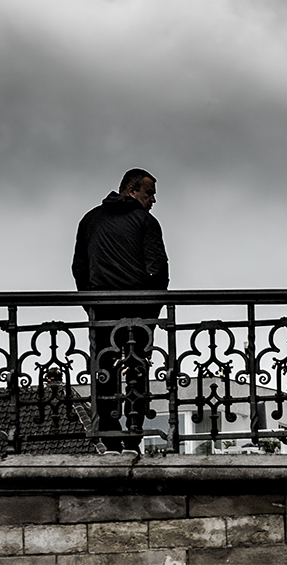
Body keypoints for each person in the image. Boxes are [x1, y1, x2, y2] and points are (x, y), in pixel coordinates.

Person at [72, 168, 168, 453]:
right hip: (137, 310)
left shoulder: (90, 219)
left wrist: (90, 303)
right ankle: (134, 435)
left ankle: (110, 437)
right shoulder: (145, 221)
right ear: (132, 191)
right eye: (149, 193)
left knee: (104, 371)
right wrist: (152, 312)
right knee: (137, 369)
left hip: (102, 310)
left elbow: (79, 267)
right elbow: (158, 271)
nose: (153, 200)